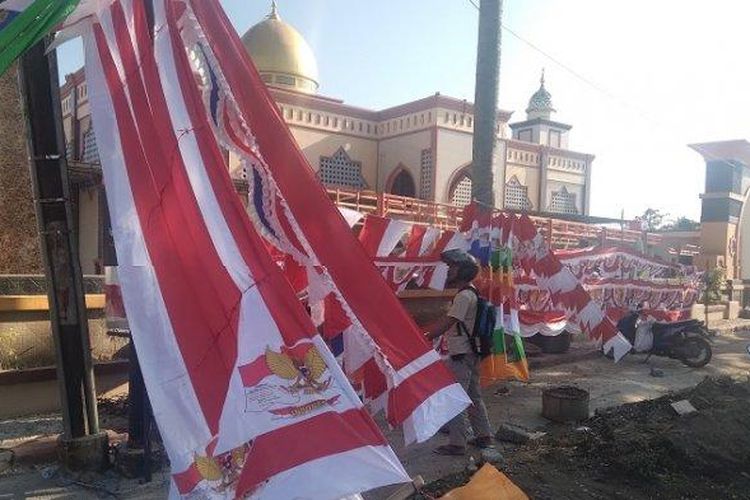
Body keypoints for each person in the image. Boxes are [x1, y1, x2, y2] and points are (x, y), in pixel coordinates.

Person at [425, 250, 494, 456]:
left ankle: (457, 443)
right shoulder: (470, 292)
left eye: (453, 267)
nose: (449, 271)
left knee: (456, 398)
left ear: (463, 270)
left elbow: (448, 321)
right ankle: (484, 436)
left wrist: (425, 336)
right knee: (473, 395)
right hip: (471, 353)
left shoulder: (464, 296)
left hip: (461, 355)